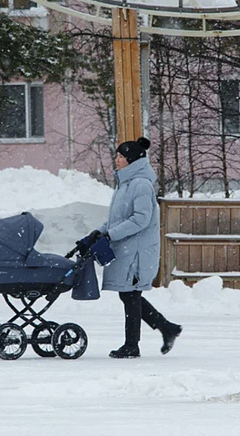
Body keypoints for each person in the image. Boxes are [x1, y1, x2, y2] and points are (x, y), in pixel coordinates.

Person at [83, 137, 182, 358]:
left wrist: (111, 234)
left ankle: (132, 345)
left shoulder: (141, 185)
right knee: (129, 295)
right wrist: (99, 232)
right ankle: (167, 328)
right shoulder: (125, 184)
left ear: (132, 159)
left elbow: (141, 219)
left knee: (130, 296)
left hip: (137, 251)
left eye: (120, 156)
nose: (116, 160)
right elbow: (116, 219)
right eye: (117, 155)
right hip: (128, 248)